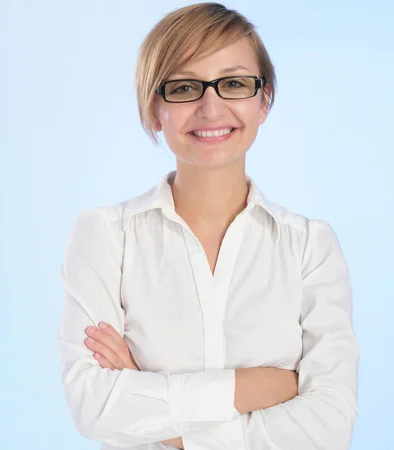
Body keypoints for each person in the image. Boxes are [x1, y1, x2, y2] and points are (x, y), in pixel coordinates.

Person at [56, 3, 359, 449]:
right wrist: (262, 386)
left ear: (264, 99)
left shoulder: (311, 247)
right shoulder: (104, 236)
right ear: (154, 108)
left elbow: (330, 428)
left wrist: (162, 419)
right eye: (184, 87)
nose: (211, 107)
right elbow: (94, 407)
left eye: (234, 83)